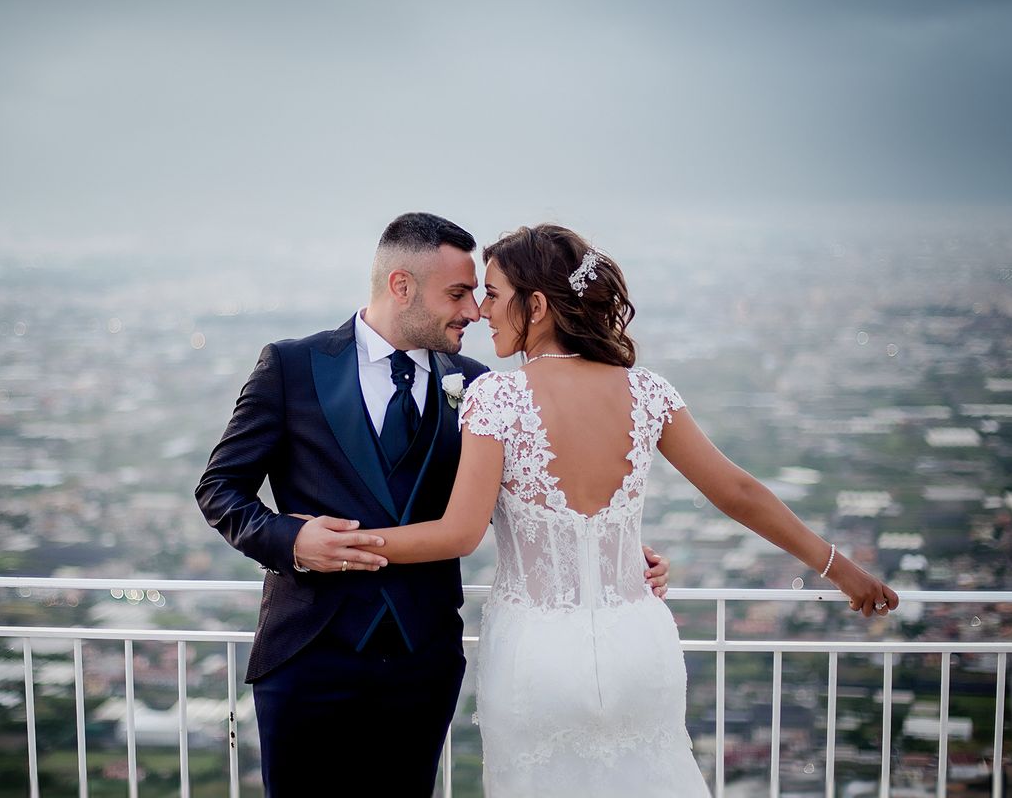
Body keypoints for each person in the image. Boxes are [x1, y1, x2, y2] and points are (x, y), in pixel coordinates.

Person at [366, 224, 899, 795]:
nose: (480, 312)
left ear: (538, 306)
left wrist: (345, 544)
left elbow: (459, 533)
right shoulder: (648, 392)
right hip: (640, 647)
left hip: (537, 658)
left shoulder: (497, 397)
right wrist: (841, 569)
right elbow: (738, 493)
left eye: (493, 295)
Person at [194, 213, 670, 796]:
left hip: (423, 660)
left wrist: (610, 551)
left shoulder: (479, 386)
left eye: (478, 293)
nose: (474, 310)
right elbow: (220, 489)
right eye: (458, 293)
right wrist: (291, 542)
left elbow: (528, 497)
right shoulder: (292, 367)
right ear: (401, 286)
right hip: (307, 653)